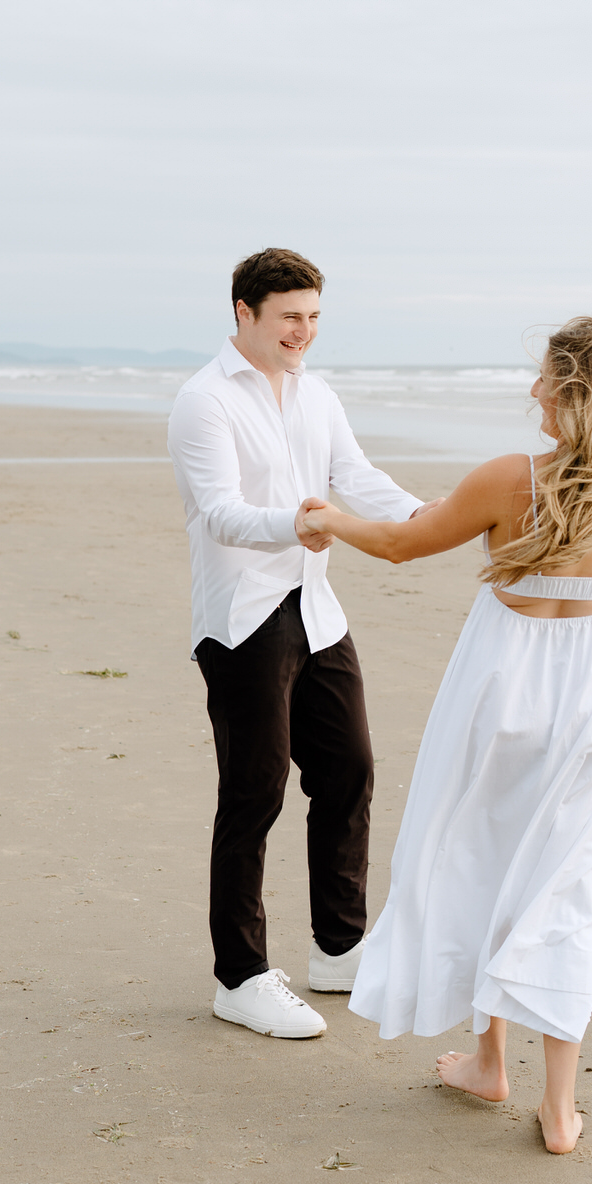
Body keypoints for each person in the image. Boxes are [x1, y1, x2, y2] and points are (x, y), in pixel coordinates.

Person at [297, 316, 592, 1152]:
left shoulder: (509, 477)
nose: (534, 391)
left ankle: (491, 1063)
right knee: (566, 881)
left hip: (507, 684)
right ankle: (559, 1108)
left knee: (476, 853)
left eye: (547, 380)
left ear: (576, 389)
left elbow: (399, 545)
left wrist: (329, 518)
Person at [167, 249, 439, 1040]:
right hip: (243, 619)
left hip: (317, 610)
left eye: (314, 317)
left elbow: (354, 476)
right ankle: (240, 977)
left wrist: (433, 515)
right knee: (254, 795)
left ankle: (340, 948)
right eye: (290, 316)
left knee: (349, 769)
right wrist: (299, 522)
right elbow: (218, 512)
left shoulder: (317, 394)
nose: (304, 333)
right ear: (244, 313)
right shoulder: (203, 402)